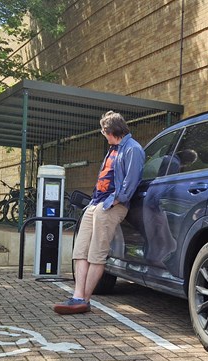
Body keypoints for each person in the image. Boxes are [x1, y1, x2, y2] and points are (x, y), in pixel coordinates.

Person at [53, 111, 144, 314]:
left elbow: (130, 183)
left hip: (112, 205)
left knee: (96, 253)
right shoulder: (113, 149)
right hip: (96, 203)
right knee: (80, 251)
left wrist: (113, 201)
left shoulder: (133, 149)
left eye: (104, 131)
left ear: (110, 130)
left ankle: (84, 300)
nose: (103, 135)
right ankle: (77, 297)